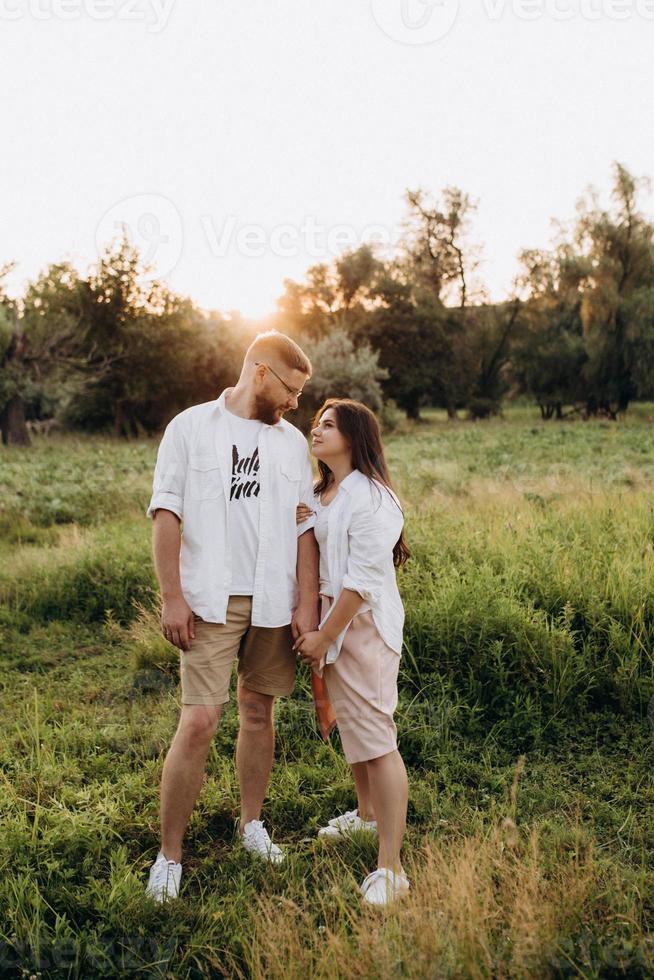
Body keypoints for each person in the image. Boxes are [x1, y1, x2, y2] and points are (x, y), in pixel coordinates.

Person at [144, 331, 319, 903]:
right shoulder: (190, 428)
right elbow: (165, 513)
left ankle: (251, 825)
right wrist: (173, 598)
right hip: (210, 597)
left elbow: (302, 526)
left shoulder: (292, 444)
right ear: (261, 372)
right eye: (292, 389)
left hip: (274, 595)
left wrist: (305, 603)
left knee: (258, 711)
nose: (296, 403)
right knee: (198, 722)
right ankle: (169, 855)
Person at [294, 398, 411, 908]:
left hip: (361, 627)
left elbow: (362, 581)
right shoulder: (327, 491)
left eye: (327, 425)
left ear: (354, 436)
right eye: (315, 423)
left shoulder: (374, 498)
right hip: (333, 626)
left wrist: (322, 636)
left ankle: (392, 868)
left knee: (378, 737)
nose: (315, 430)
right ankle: (365, 817)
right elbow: (315, 539)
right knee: (356, 730)